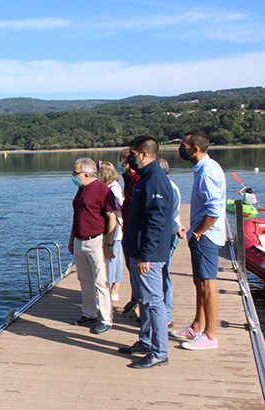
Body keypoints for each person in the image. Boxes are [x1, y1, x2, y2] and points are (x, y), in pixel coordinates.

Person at [118, 136, 174, 369]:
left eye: (133, 153)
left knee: (153, 302)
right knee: (143, 299)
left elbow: (156, 221)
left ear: (143, 154)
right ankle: (145, 341)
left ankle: (159, 352)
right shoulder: (144, 177)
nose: (130, 158)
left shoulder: (156, 180)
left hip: (148, 254)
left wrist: (147, 255)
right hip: (136, 250)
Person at [171, 130, 226, 350]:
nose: (181, 149)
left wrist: (198, 232)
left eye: (184, 145)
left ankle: (210, 336)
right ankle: (197, 325)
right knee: (199, 283)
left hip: (207, 236)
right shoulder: (202, 169)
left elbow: (214, 209)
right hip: (202, 234)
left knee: (208, 285)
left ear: (195, 148)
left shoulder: (208, 172)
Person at [68, 157, 117, 334]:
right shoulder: (80, 190)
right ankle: (89, 314)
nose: (73, 176)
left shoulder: (103, 190)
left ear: (86, 174)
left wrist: (109, 242)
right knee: (84, 280)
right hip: (80, 240)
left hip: (97, 240)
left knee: (101, 281)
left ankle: (106, 319)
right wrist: (71, 239)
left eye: (76, 173)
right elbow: (77, 216)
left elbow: (112, 217)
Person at [159, 158, 187, 327]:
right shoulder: (167, 186)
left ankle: (167, 315)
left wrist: (177, 229)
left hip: (167, 235)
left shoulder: (169, 188)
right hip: (166, 233)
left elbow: (170, 215)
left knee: (163, 273)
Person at [118, 148, 141, 318]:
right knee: (131, 268)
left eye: (121, 160)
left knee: (137, 269)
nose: (121, 164)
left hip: (135, 231)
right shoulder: (128, 179)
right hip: (127, 228)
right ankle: (134, 300)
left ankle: (140, 305)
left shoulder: (137, 179)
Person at [98, 161, 124, 303]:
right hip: (116, 231)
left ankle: (110, 289)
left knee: (112, 261)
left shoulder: (112, 188)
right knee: (116, 259)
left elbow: (120, 205)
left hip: (114, 230)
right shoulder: (113, 186)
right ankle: (114, 289)